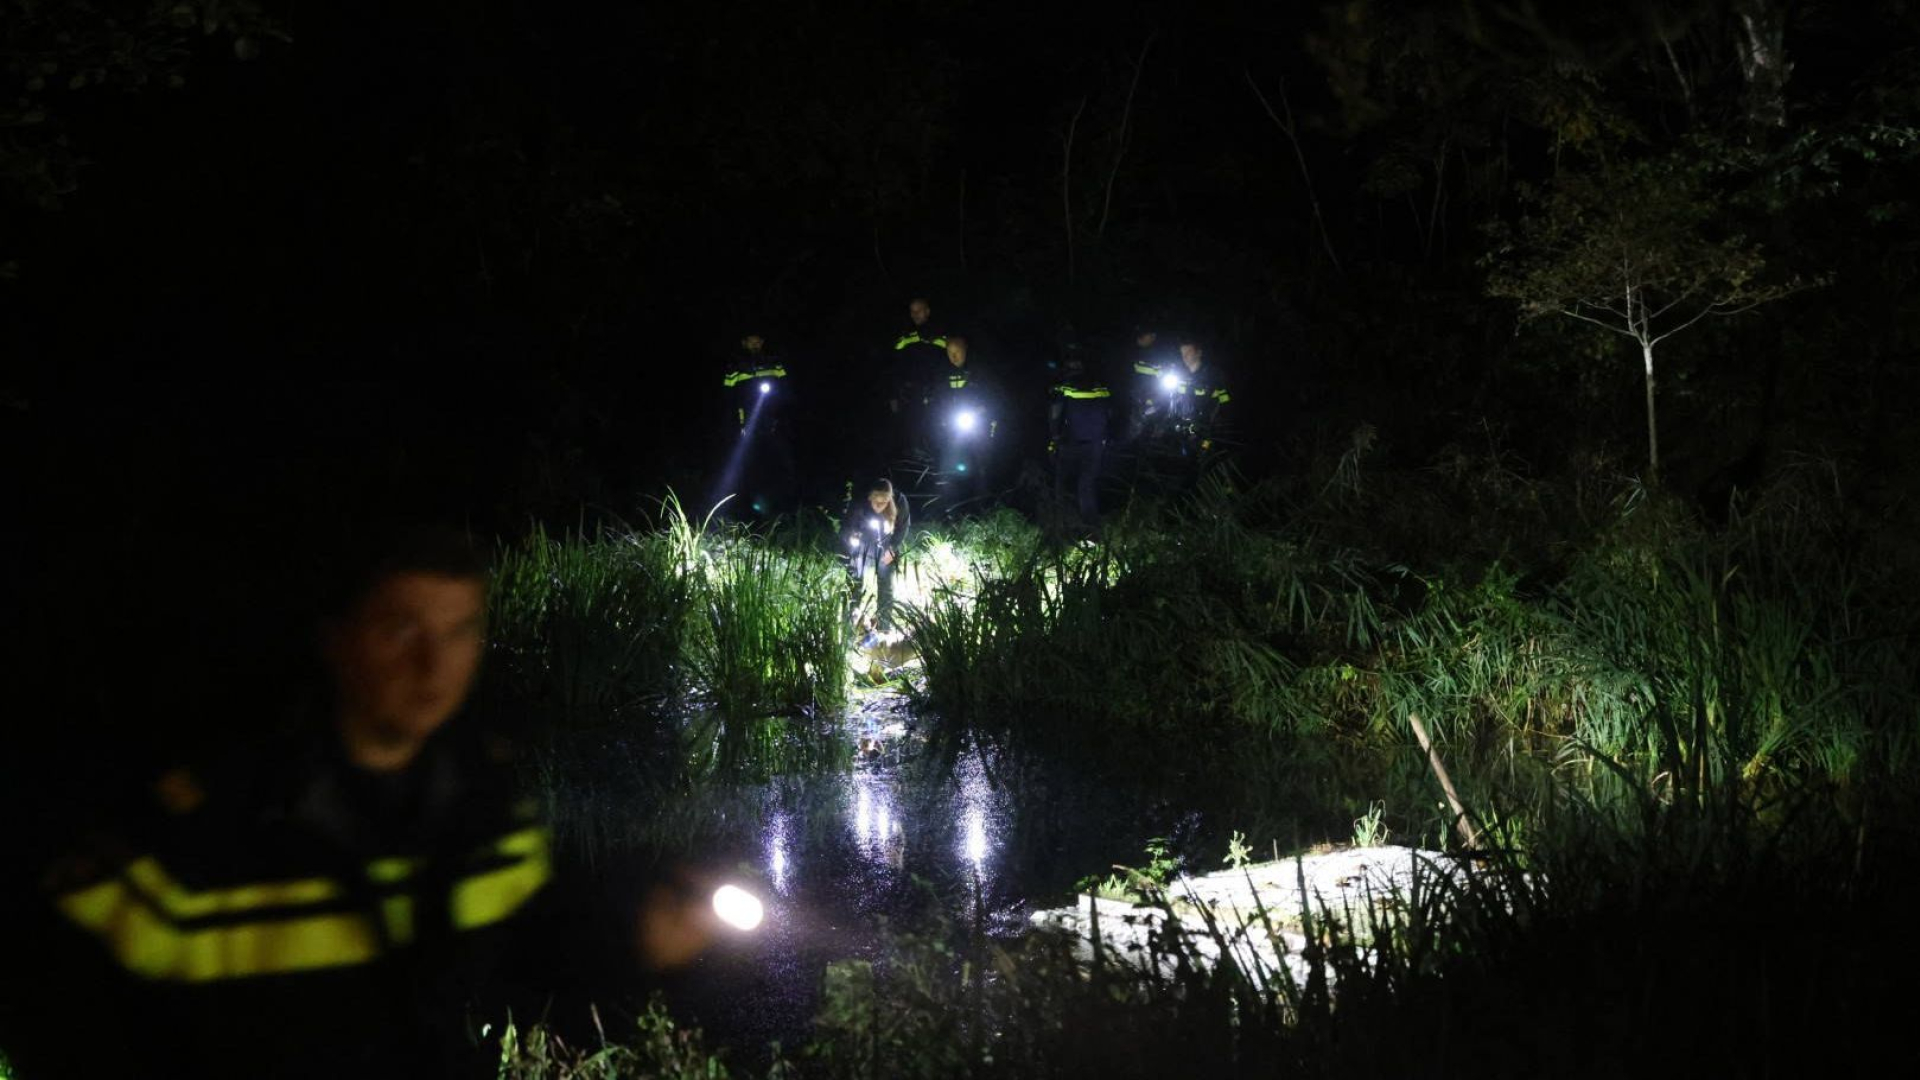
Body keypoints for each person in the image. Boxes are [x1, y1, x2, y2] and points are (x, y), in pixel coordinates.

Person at [21, 529, 551, 1079]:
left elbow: (544, 947)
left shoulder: (490, 799)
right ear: (336, 638)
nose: (434, 666)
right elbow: (59, 1004)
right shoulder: (208, 825)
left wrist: (634, 932)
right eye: (401, 629)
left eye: (460, 631)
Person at [719, 332, 796, 516]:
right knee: (749, 464)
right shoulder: (736, 363)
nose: (754, 344)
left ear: (762, 342)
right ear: (744, 342)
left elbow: (785, 386)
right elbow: (729, 394)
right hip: (747, 421)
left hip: (773, 420)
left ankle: (780, 509)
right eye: (750, 341)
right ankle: (746, 509)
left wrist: (781, 414)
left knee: (776, 464)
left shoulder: (773, 360)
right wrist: (736, 420)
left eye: (757, 341)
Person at [921, 336, 999, 513]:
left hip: (977, 427)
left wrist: (984, 409)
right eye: (950, 353)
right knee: (948, 468)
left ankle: (983, 507)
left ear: (965, 350)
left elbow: (992, 395)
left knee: (981, 466)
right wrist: (938, 415)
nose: (953, 357)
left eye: (957, 352)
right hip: (952, 428)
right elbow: (937, 397)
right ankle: (949, 509)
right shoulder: (942, 372)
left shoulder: (978, 370)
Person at [840, 478, 910, 644]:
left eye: (884, 503)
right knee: (854, 582)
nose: (879, 506)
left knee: (885, 585)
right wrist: (852, 539)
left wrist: (893, 548)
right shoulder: (859, 503)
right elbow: (847, 525)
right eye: (876, 502)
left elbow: (903, 527)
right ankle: (848, 630)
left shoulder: (900, 501)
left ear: (890, 499)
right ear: (869, 498)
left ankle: (883, 630)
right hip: (863, 541)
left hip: (887, 544)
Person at [1049, 353, 1112, 535]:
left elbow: (1055, 415)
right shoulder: (1100, 385)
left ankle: (1062, 529)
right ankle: (1091, 530)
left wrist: (1054, 438)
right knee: (1086, 485)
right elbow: (1109, 413)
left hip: (1071, 443)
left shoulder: (1064, 387)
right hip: (1094, 443)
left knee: (1062, 485)